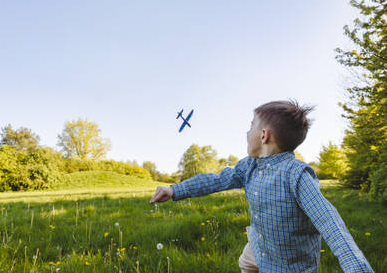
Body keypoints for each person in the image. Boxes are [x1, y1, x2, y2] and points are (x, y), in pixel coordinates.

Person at [150, 100, 373, 273]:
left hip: (289, 265)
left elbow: (329, 222)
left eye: (250, 127)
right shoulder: (249, 166)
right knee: (246, 263)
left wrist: (357, 267)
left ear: (264, 135)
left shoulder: (296, 175)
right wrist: (174, 189)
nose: (246, 133)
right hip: (258, 246)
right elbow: (217, 180)